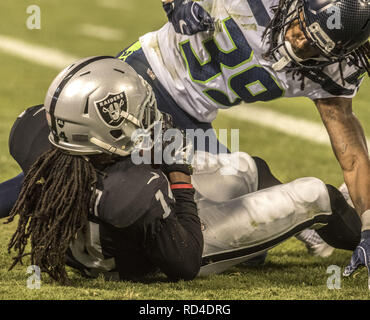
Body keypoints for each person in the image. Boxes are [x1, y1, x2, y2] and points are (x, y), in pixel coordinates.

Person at [3, 58, 362, 283]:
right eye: (139, 111)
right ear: (107, 133)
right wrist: (178, 177)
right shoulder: (131, 193)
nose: (148, 117)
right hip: (162, 247)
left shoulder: (44, 140)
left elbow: (27, 188)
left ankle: (271, 240)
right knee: (317, 195)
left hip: (122, 225)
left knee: (246, 169)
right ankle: (363, 238)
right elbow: (184, 261)